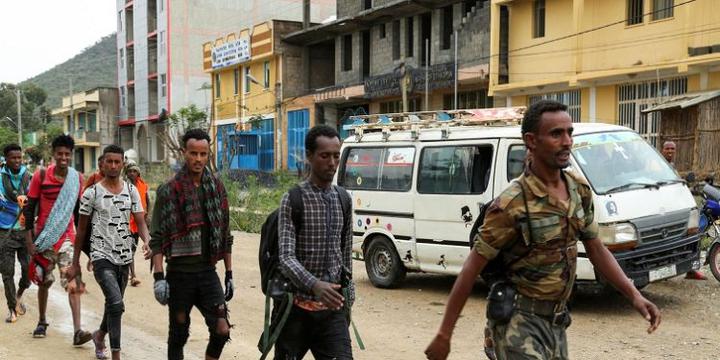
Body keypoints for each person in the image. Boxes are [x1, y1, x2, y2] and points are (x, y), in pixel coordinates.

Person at [425, 100, 661, 360]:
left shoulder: (578, 191)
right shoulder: (511, 204)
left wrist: (635, 296)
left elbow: (596, 248)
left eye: (569, 132)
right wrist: (445, 334)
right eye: (556, 134)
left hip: (557, 322)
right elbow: (471, 269)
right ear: (531, 141)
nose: (567, 141)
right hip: (518, 322)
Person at [150, 129, 234, 360]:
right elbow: (156, 237)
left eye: (203, 154)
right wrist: (159, 279)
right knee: (178, 334)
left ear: (208, 155)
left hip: (208, 272)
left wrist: (229, 273)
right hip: (179, 275)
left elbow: (225, 233)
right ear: (183, 153)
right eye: (193, 153)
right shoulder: (168, 191)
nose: (198, 159)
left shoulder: (217, 188)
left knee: (221, 329)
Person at [274, 124, 355, 360]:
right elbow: (286, 257)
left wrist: (348, 294)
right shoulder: (293, 199)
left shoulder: (343, 199)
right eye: (324, 155)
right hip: (294, 310)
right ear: (309, 157)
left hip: (332, 314)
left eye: (336, 156)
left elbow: (346, 252)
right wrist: (315, 285)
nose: (332, 162)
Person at [66, 145, 152, 360]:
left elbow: (141, 222)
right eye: (109, 162)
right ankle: (116, 354)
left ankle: (100, 335)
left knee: (115, 305)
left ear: (123, 163)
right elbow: (82, 230)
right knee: (115, 303)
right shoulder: (91, 193)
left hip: (124, 255)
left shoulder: (131, 190)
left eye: (117, 162)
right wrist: (76, 262)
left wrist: (148, 241)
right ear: (102, 164)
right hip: (101, 255)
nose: (113, 166)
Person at [22, 134, 92, 345]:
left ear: (71, 155)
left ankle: (78, 331)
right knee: (44, 281)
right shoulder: (41, 176)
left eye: (67, 154)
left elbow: (81, 214)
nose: (63, 157)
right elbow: (29, 207)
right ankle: (42, 320)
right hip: (44, 239)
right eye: (59, 154)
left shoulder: (76, 179)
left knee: (73, 281)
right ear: (53, 155)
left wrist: (87, 248)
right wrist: (29, 243)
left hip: (67, 239)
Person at [661, 140, 707, 280]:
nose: (670, 151)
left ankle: (691, 269)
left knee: (691, 234)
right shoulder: (658, 165)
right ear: (662, 150)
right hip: (664, 209)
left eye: (672, 149)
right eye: (667, 149)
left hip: (676, 206)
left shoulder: (672, 166)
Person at [0, 144, 31, 323]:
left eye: (19, 157)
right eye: (13, 158)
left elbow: (35, 200)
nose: (17, 161)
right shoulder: (0, 177)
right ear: (6, 159)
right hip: (5, 230)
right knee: (7, 272)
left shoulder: (28, 176)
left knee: (28, 269)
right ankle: (12, 308)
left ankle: (19, 295)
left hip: (24, 232)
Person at [124, 161, 149, 287]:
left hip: (140, 223)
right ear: (126, 174)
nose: (132, 173)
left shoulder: (143, 185)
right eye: (129, 171)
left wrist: (147, 215)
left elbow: (147, 200)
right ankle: (133, 276)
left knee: (132, 249)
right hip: (127, 222)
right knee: (129, 250)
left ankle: (127, 270)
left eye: (134, 171)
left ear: (138, 172)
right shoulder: (124, 187)